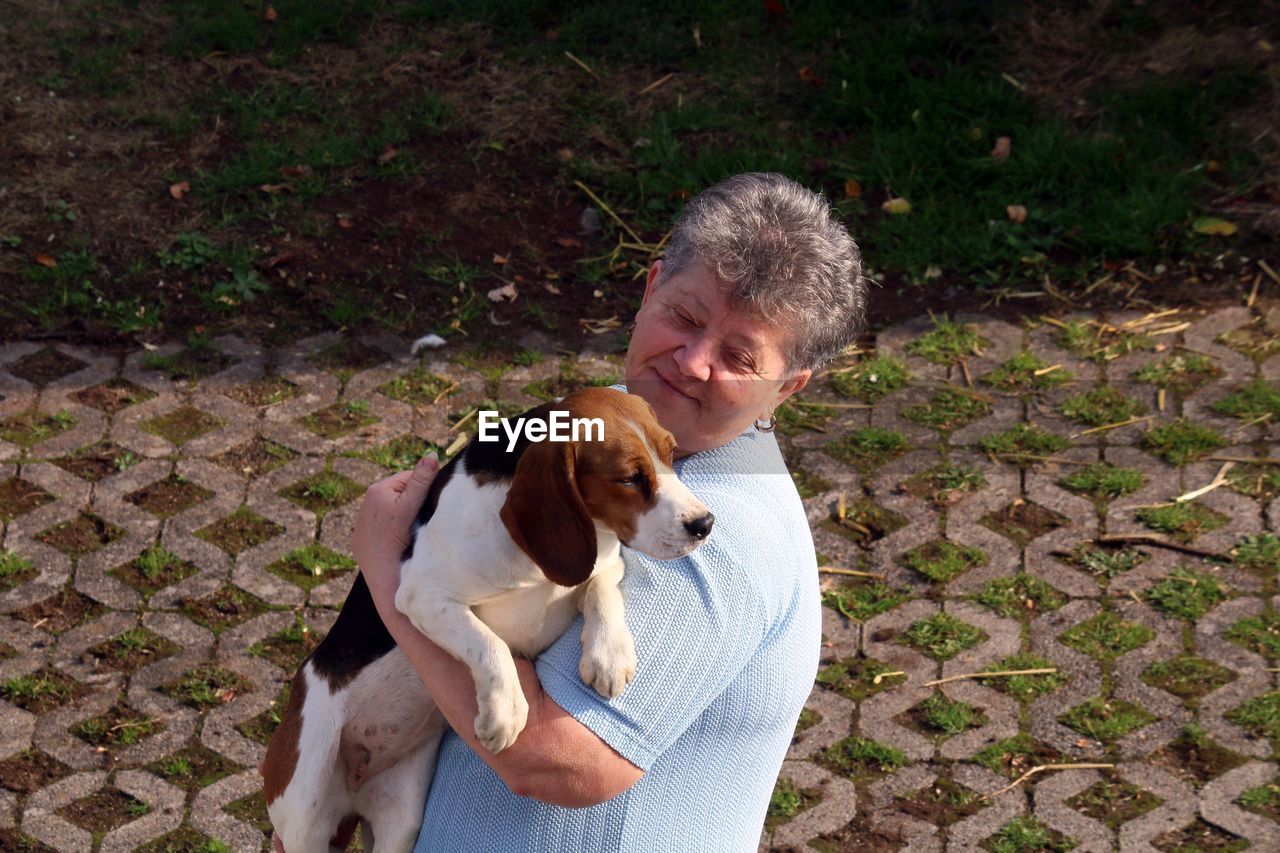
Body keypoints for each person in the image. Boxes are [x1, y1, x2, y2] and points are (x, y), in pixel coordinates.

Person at [353, 172, 867, 851]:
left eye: (739, 355)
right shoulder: (592, 431)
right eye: (684, 317)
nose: (692, 362)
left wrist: (391, 571)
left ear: (787, 389)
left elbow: (560, 760)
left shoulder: (710, 532)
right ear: (650, 288)